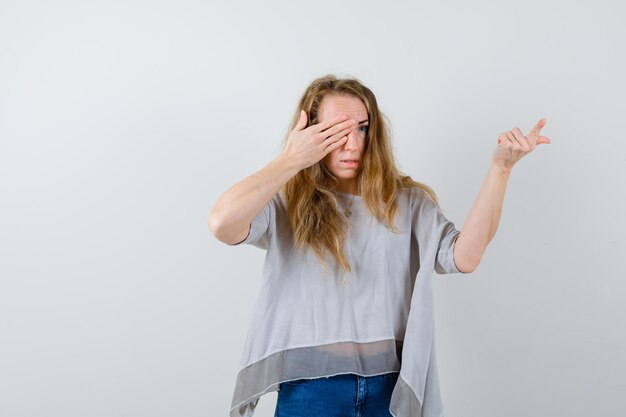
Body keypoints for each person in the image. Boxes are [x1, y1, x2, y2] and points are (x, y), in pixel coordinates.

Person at [208, 74, 551, 417]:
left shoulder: (407, 202)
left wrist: (500, 168)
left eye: (362, 128)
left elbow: (467, 257)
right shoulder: (286, 200)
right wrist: (290, 160)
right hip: (310, 392)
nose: (353, 144)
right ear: (310, 134)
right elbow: (222, 223)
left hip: (390, 390)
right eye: (335, 132)